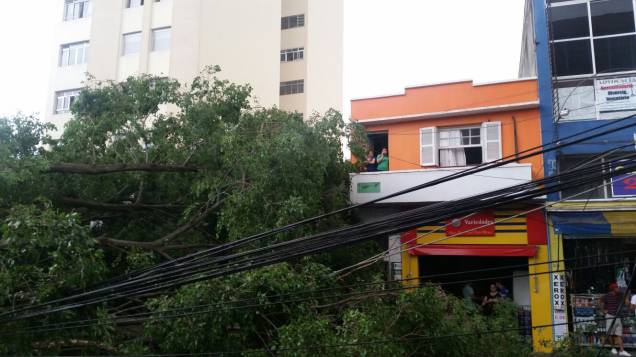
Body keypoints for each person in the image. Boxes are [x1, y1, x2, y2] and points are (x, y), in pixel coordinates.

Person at [601, 282, 631, 356]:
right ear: (613, 289)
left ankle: (621, 350)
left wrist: (627, 298)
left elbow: (626, 299)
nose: (618, 288)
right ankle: (613, 348)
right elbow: (600, 302)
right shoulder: (607, 296)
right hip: (610, 316)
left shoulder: (620, 294)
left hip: (618, 316)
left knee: (619, 334)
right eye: (617, 287)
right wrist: (603, 310)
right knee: (610, 333)